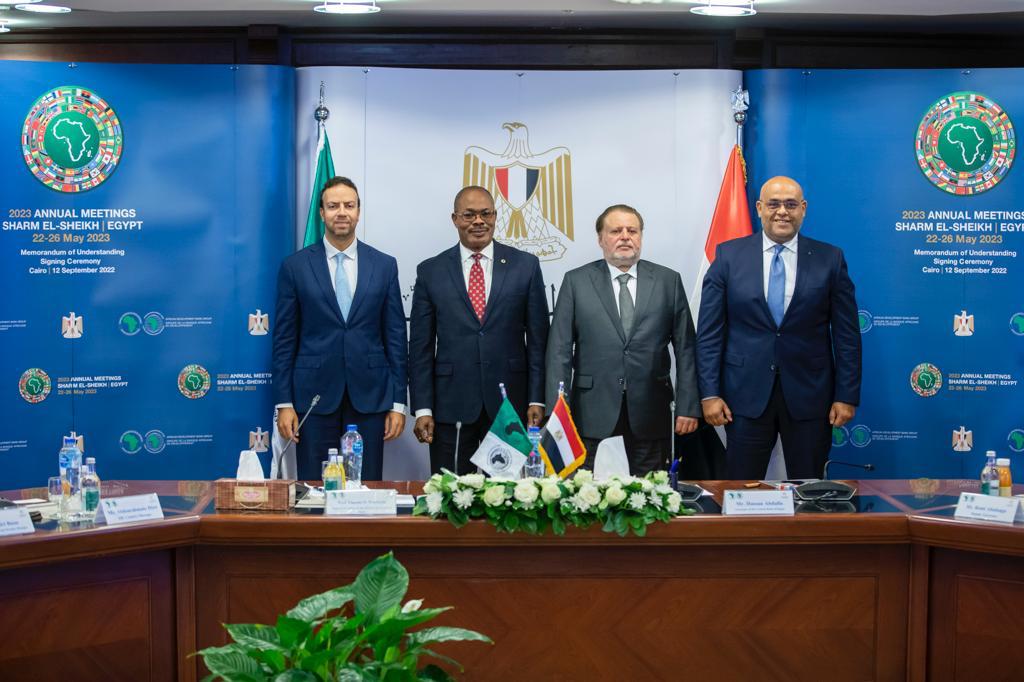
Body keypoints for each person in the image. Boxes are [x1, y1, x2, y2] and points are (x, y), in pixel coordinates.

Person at [696, 175, 861, 480]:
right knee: (742, 488)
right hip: (743, 397)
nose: (782, 211)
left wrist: (846, 395)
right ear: (759, 208)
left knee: (809, 489)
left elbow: (847, 336)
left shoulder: (830, 259)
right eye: (773, 204)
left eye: (790, 204)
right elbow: (709, 334)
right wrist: (709, 394)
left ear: (803, 209)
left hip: (811, 397)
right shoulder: (728, 256)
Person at [545, 204, 700, 475]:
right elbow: (559, 351)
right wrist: (557, 409)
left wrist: (688, 406)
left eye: (632, 231)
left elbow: (686, 349)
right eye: (616, 231)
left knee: (650, 493)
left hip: (652, 412)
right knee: (591, 493)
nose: (625, 237)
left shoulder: (668, 281)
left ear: (641, 236)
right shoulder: (576, 282)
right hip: (592, 412)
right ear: (600, 239)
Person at [272, 176, 407, 481]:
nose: (341, 212)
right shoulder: (295, 267)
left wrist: (398, 403)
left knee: (366, 486)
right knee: (315, 487)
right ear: (322, 213)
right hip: (313, 398)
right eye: (333, 206)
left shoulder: (384, 265)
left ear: (359, 211)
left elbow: (396, 338)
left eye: (349, 205)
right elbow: (284, 340)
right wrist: (284, 403)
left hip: (370, 397)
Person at [409, 186, 549, 474]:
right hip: (451, 406)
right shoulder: (431, 271)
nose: (478, 221)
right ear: (455, 219)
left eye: (486, 214)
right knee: (450, 494)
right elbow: (420, 347)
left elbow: (539, 341)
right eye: (469, 215)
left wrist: (537, 398)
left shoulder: (525, 266)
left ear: (495, 216)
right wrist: (423, 408)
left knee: (507, 495)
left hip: (510, 406)